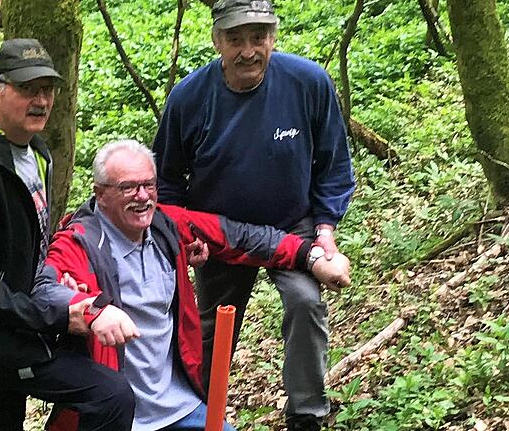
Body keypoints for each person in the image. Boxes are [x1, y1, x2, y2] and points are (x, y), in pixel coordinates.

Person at [38, 140, 351, 431]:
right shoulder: (79, 242)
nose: (143, 196)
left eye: (149, 185)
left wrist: (311, 257)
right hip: (116, 415)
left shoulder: (166, 226)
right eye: (128, 188)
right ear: (100, 193)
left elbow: (240, 236)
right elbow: (45, 287)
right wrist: (90, 310)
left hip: (180, 406)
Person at [152, 0, 356, 429]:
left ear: (273, 37)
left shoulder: (308, 82)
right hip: (218, 233)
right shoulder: (189, 98)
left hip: (293, 224)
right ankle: (199, 412)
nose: (248, 50)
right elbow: (166, 181)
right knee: (210, 328)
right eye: (235, 39)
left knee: (305, 302)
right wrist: (186, 236)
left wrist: (325, 230)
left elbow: (333, 165)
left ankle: (306, 415)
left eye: (258, 38)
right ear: (216, 42)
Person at [0, 38, 135, 431]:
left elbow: (26, 251)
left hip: (16, 320)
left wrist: (55, 285)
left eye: (47, 89)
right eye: (26, 89)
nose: (40, 100)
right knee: (110, 396)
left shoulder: (33, 150)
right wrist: (52, 312)